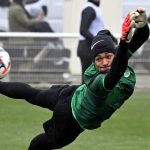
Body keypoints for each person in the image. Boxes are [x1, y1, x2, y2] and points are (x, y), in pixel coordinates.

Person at [0, 8, 149, 150]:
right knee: (44, 142)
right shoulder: (96, 79)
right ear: (94, 61)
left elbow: (139, 40)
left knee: (34, 94)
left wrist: (143, 24)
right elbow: (115, 73)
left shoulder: (118, 56)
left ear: (114, 54)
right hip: (71, 118)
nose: (104, 63)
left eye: (108, 57)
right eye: (98, 59)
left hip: (71, 93)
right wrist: (123, 42)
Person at [77, 0, 105, 82]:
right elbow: (83, 30)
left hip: (91, 47)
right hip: (87, 48)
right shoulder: (89, 9)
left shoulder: (95, 8)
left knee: (92, 80)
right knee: (87, 81)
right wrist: (98, 40)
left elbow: (98, 29)